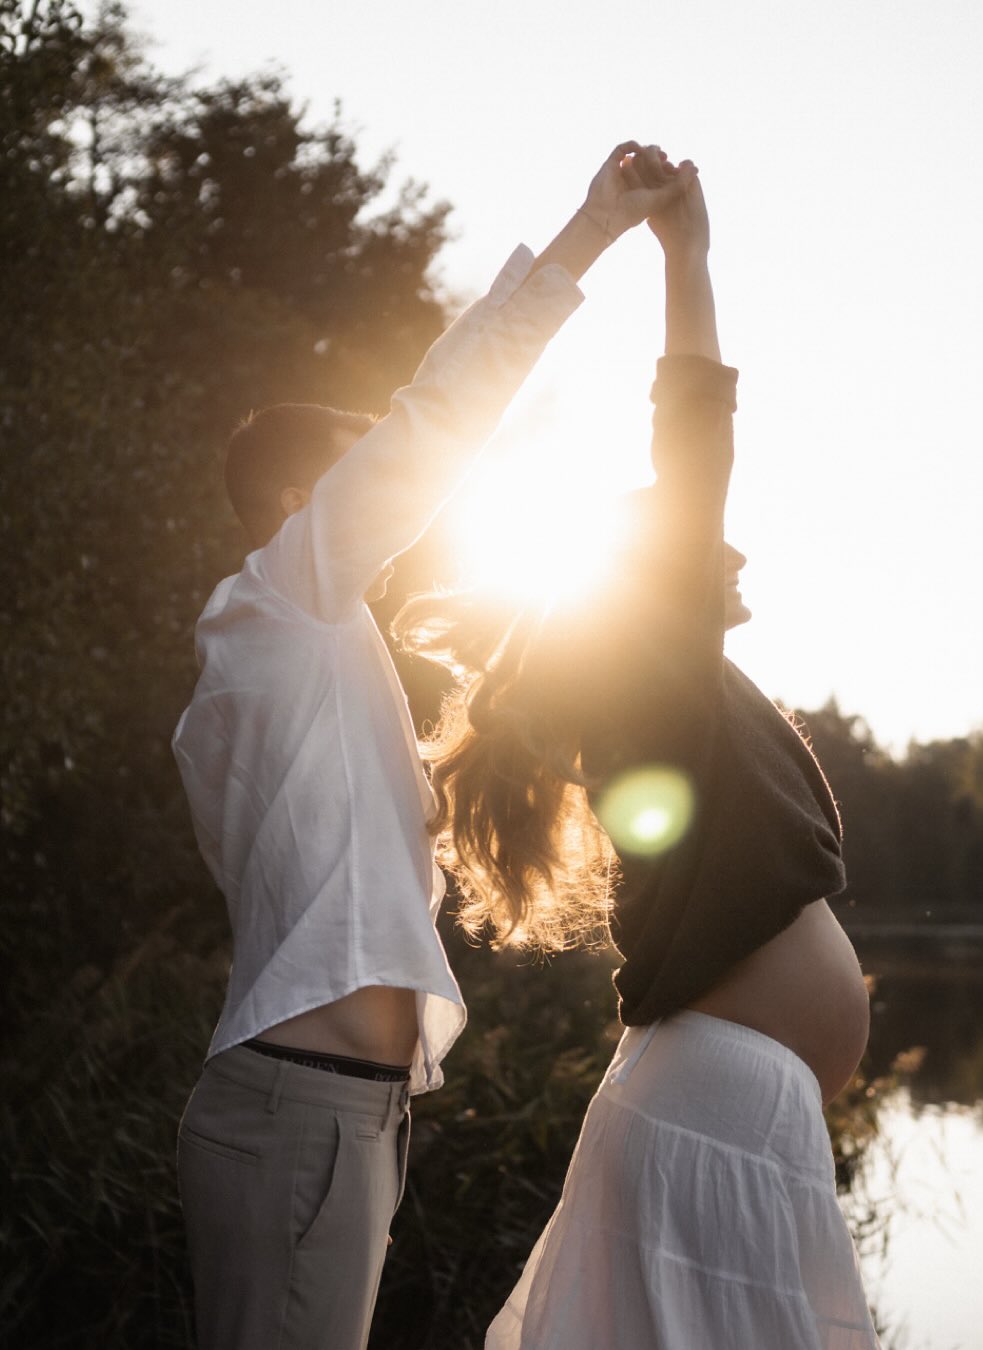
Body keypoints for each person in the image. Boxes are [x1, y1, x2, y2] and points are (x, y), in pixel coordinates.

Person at [170, 143, 699, 1350]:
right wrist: (589, 233)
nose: (400, 503)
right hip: (304, 1114)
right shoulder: (278, 602)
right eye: (356, 470)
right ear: (301, 501)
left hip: (344, 1114)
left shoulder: (309, 650)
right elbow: (440, 415)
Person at [399, 147, 881, 1348]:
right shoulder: (657, 681)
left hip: (719, 1110)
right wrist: (688, 256)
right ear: (658, 580)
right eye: (708, 552)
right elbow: (695, 435)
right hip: (714, 1111)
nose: (738, 560)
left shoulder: (675, 701)